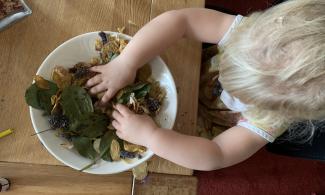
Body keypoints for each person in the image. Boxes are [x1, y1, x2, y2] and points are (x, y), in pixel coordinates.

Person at [86, 0, 325, 170]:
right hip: (189, 65)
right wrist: (126, 63)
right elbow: (181, 21)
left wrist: (152, 136)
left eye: (243, 94)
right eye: (231, 62)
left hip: (199, 126)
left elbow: (216, 155)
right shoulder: (254, 34)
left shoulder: (272, 120)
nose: (225, 81)